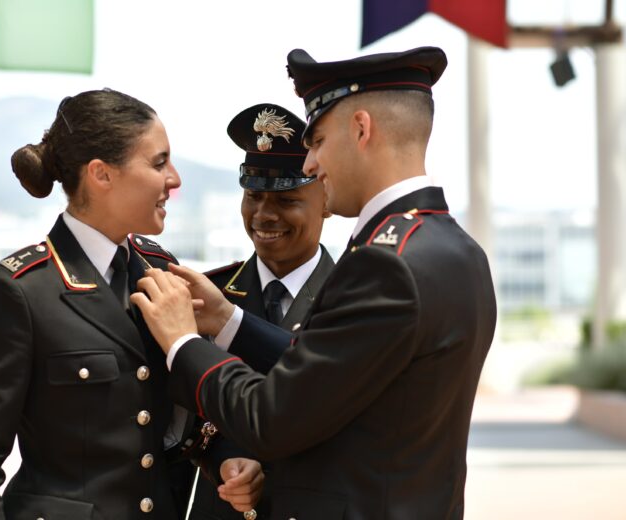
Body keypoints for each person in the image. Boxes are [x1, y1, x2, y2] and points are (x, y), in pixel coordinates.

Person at [131, 47, 498, 519]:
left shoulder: (384, 265)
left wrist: (182, 339)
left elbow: (271, 416)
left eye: (318, 141)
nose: (309, 164)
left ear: (361, 129)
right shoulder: (456, 250)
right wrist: (228, 320)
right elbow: (340, 374)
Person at [0, 88, 262, 520]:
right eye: (158, 162)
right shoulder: (20, 290)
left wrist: (224, 455)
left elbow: (182, 419)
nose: (174, 179)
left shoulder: (160, 270)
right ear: (101, 174)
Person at [189, 103, 334, 520]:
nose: (264, 215)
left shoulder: (355, 295)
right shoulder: (209, 293)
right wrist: (225, 459)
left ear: (326, 198)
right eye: (253, 195)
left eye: (287, 199)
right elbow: (179, 413)